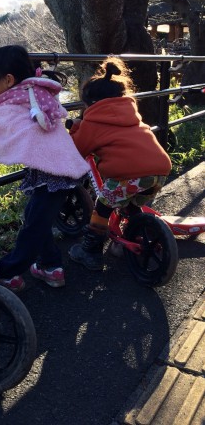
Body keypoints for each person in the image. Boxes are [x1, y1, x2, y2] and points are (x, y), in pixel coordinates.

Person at [0, 45, 89, 291]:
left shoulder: (12, 100)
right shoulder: (37, 92)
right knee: (37, 218)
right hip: (55, 170)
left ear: (8, 79)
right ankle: (50, 266)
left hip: (51, 172)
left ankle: (7, 271)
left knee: (34, 225)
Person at [68, 57, 172, 271]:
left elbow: (78, 149)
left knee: (103, 205)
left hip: (129, 175)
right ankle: (136, 234)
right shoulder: (132, 115)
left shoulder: (92, 121)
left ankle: (91, 252)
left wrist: (77, 129)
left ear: (91, 103)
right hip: (159, 172)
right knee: (131, 203)